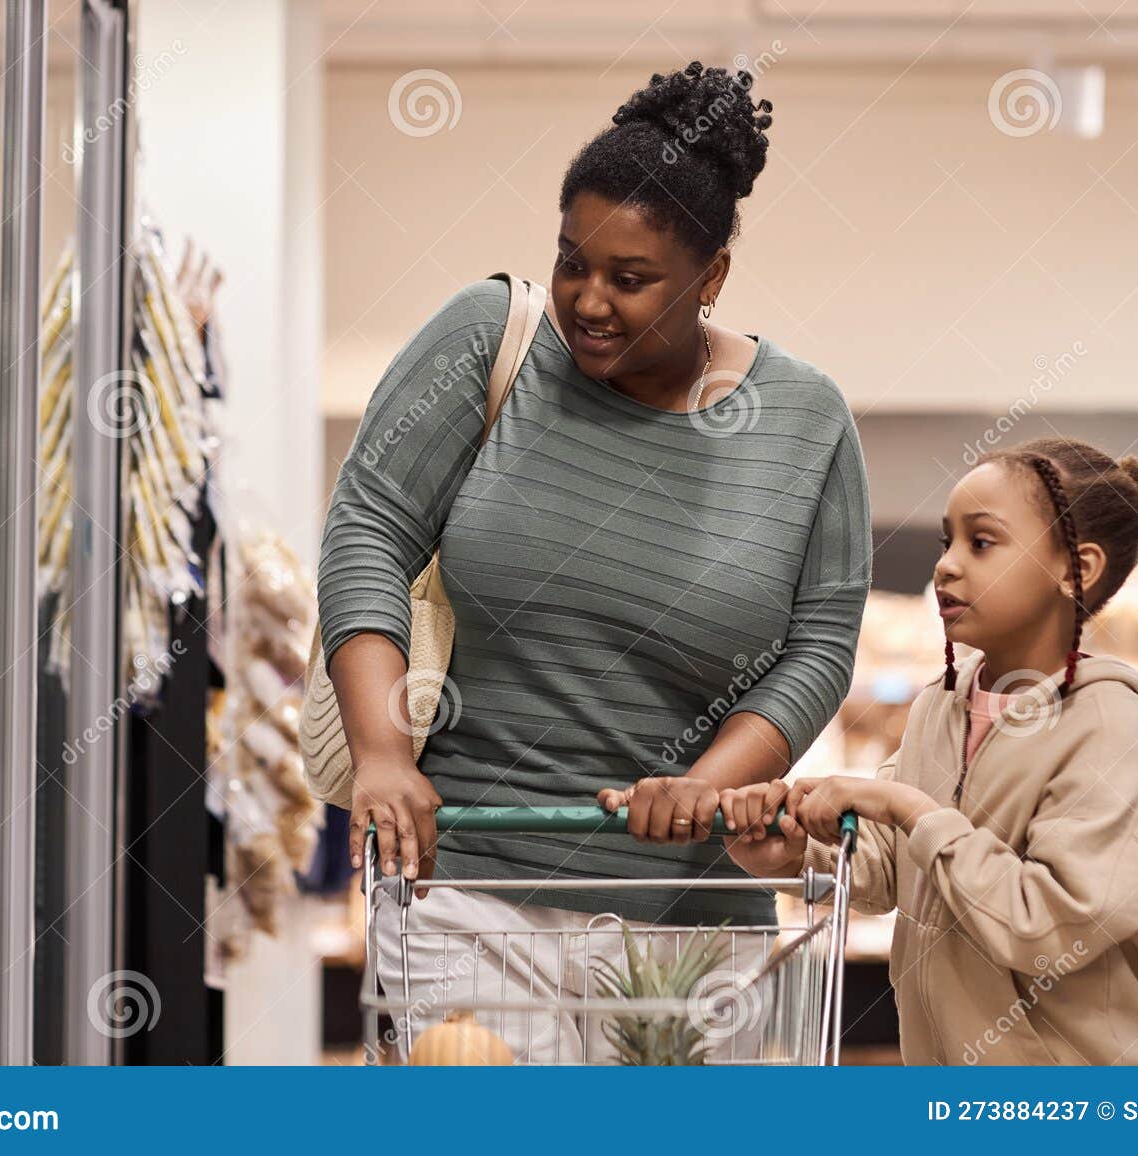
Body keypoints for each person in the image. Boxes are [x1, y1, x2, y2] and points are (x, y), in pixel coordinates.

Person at [317, 61, 871, 1061]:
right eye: (573, 261)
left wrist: (709, 779)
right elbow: (369, 524)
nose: (588, 301)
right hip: (467, 891)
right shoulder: (493, 339)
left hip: (689, 931)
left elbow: (819, 645)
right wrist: (383, 752)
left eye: (629, 278)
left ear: (711, 280)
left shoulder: (804, 419)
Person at [720, 437, 1138, 1065]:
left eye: (982, 543)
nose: (946, 566)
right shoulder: (939, 708)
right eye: (947, 542)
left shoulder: (1104, 718)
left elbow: (1048, 925)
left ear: (1077, 569)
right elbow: (892, 869)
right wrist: (798, 852)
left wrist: (909, 808)